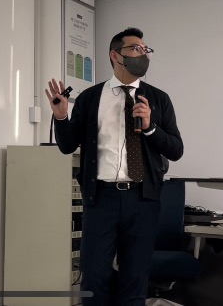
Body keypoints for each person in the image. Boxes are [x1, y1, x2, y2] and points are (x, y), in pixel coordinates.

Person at [45, 27, 183, 306]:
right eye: (136, 49)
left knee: (135, 280)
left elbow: (175, 149)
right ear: (115, 55)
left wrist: (150, 127)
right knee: (94, 278)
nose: (143, 54)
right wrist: (61, 117)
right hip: (101, 199)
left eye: (146, 50)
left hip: (143, 199)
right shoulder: (90, 98)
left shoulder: (159, 99)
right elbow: (67, 145)